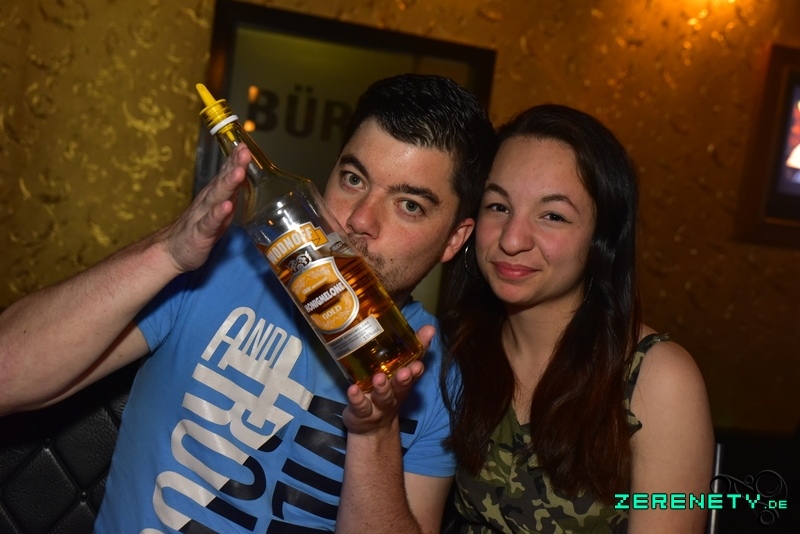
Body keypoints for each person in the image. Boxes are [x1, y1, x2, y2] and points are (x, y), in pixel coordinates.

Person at [0, 74, 496, 533]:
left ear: (454, 239)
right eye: (353, 179)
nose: (361, 219)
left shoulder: (436, 377)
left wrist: (376, 434)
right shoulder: (221, 267)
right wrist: (167, 252)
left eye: (409, 205)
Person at [439, 104, 714, 533]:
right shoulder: (456, 350)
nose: (512, 239)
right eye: (498, 206)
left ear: (601, 238)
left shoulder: (656, 379)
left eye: (553, 215)